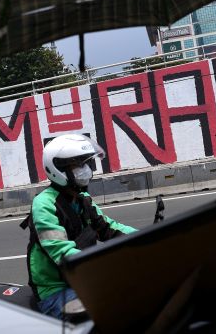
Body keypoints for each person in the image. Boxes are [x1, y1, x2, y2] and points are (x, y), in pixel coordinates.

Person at [23, 134, 136, 320]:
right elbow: (63, 253)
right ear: (58, 169)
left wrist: (150, 237)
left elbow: (109, 229)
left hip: (83, 281)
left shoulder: (82, 199)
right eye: (77, 165)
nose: (84, 169)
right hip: (56, 291)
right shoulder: (44, 205)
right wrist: (105, 267)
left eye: (86, 163)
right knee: (113, 311)